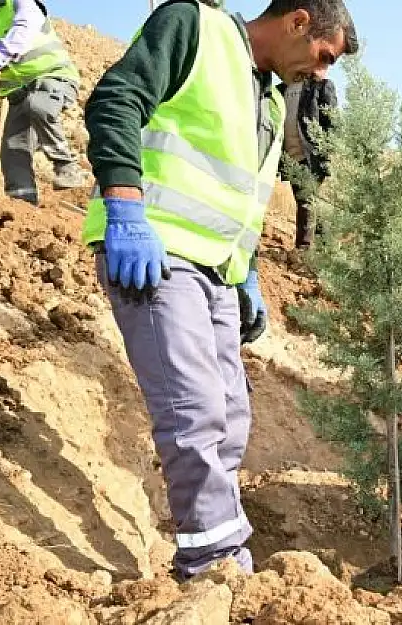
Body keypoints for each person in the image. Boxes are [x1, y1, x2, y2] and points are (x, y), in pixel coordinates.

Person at [80, 0, 358, 579]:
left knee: (231, 417)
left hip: (219, 272)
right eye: (324, 55)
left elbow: (241, 196)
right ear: (298, 21)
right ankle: (213, 567)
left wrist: (248, 271)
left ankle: (218, 545)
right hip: (154, 255)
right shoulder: (195, 27)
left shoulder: (273, 98)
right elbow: (117, 101)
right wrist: (125, 210)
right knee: (195, 412)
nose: (322, 71)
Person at [0, 0, 86, 204]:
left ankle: (67, 166)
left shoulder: (18, 3)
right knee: (12, 151)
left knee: (39, 106)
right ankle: (22, 205)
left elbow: (21, 33)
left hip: (53, 77)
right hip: (18, 94)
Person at [279, 76, 337, 249]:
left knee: (306, 200)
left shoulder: (320, 86)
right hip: (290, 156)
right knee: (307, 200)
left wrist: (326, 153)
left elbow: (332, 122)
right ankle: (326, 245)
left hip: (311, 156)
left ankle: (304, 248)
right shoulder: (282, 88)